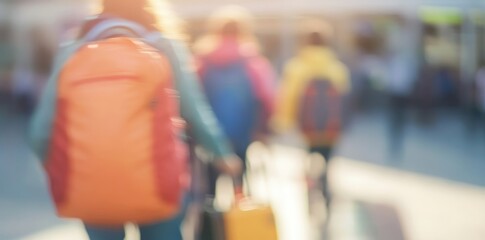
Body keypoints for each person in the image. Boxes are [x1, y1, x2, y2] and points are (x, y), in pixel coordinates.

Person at [30, 0, 242, 239]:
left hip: (92, 183)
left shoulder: (73, 50)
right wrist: (222, 154)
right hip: (158, 180)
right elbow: (194, 111)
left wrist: (61, 168)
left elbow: (40, 132)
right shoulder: (163, 46)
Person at [194, 5, 276, 196]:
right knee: (240, 179)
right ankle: (240, 217)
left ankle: (211, 221)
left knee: (210, 184)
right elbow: (267, 97)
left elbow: (193, 97)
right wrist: (265, 129)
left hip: (210, 132)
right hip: (243, 131)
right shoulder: (252, 61)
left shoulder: (202, 60)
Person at [273, 21, 350, 209]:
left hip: (307, 126)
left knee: (308, 154)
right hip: (331, 126)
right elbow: (345, 98)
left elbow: (288, 97)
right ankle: (325, 185)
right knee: (327, 157)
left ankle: (309, 185)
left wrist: (283, 122)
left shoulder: (296, 66)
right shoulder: (336, 67)